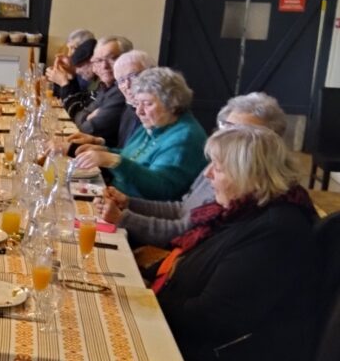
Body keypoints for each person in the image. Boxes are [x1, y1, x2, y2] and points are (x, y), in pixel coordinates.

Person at [155, 125, 317, 361]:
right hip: (209, 338)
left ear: (250, 176)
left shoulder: (276, 230)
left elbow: (211, 317)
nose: (207, 175)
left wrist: (147, 302)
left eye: (217, 168)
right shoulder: (245, 211)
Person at [98, 93, 288, 248]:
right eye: (227, 127)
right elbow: (182, 208)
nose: (227, 136)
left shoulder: (239, 183)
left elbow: (184, 229)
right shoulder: (218, 165)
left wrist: (124, 218)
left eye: (240, 132)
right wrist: (128, 203)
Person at [75, 67, 207, 200]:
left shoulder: (184, 138)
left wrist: (112, 160)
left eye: (147, 104)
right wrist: (104, 151)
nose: (139, 111)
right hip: (115, 196)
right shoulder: (157, 122)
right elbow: (132, 157)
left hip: (138, 208)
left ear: (172, 103)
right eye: (137, 103)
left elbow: (162, 190)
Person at [62, 49, 156, 154]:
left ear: (152, 74)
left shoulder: (155, 113)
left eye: (133, 76)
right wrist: (99, 142)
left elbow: (139, 159)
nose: (127, 85)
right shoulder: (130, 107)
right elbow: (125, 150)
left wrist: (73, 149)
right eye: (121, 80)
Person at [71, 36, 131, 146]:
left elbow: (89, 129)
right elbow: (78, 116)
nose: (104, 66)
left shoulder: (123, 90)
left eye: (112, 58)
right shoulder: (106, 86)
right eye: (99, 60)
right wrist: (87, 117)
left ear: (127, 60)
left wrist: (87, 118)